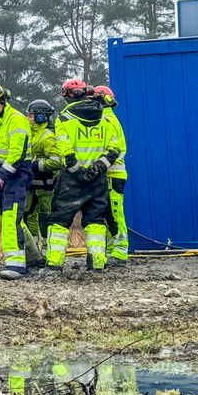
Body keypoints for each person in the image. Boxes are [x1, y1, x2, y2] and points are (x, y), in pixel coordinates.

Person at [43, 78, 121, 274]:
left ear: (66, 96)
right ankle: (97, 263)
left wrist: (78, 170)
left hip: (71, 179)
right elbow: (114, 148)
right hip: (98, 180)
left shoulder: (63, 118)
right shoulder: (104, 117)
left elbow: (64, 149)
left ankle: (54, 264)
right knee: (96, 220)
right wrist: (96, 169)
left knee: (59, 220)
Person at [0, 84, 32, 280]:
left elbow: (16, 153)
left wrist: (2, 175)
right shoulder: (0, 121)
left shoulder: (15, 119)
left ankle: (16, 265)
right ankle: (33, 257)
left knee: (11, 220)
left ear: (1, 102)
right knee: (12, 218)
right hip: (5, 175)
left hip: (15, 175)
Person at [93, 85, 129, 266]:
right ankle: (110, 250)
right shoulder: (104, 119)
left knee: (115, 214)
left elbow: (118, 150)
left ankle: (120, 251)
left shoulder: (108, 120)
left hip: (113, 174)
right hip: (106, 175)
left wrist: (100, 165)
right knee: (107, 214)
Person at [25, 99, 62, 242]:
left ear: (40, 117)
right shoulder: (30, 134)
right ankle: (34, 249)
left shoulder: (47, 136)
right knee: (28, 216)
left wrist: (34, 165)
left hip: (46, 187)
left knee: (46, 217)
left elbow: (56, 161)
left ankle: (48, 249)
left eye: (30, 116)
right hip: (32, 185)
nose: (27, 118)